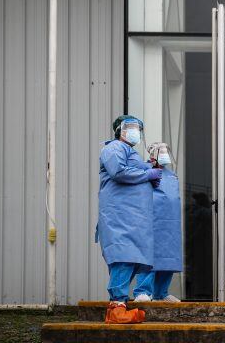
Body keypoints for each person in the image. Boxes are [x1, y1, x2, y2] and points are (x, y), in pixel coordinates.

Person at [96, 115, 163, 324]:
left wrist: (151, 170)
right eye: (132, 127)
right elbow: (119, 172)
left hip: (133, 218)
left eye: (139, 128)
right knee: (123, 258)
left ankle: (119, 305)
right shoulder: (113, 148)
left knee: (134, 259)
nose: (136, 132)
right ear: (120, 129)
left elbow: (142, 174)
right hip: (120, 217)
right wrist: (148, 173)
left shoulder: (131, 153)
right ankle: (116, 307)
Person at [134, 143, 182, 302]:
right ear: (153, 154)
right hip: (151, 222)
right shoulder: (145, 172)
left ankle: (161, 293)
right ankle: (143, 292)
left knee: (168, 258)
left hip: (171, 224)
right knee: (150, 258)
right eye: (161, 152)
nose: (165, 154)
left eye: (166, 151)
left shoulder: (172, 175)